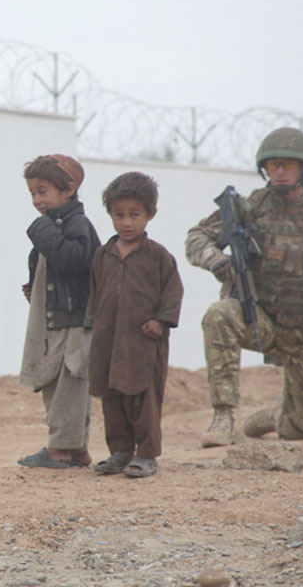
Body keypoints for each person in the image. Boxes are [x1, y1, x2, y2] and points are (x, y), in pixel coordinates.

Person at [186, 127, 303, 448]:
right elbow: (197, 236)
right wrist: (215, 259)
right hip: (264, 322)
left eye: (287, 165)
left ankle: (278, 414)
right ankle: (224, 416)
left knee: (302, 430)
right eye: (273, 166)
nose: (280, 172)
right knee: (220, 315)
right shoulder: (253, 206)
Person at [85, 172, 183, 478]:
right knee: (112, 398)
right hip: (108, 342)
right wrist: (90, 325)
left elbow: (173, 292)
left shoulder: (158, 257)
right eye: (119, 215)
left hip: (143, 343)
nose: (127, 222)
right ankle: (120, 452)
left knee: (144, 397)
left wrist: (161, 321)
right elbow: (94, 293)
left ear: (150, 215)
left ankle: (146, 453)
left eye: (135, 215)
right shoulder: (103, 255)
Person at [17, 154, 101, 469]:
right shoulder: (57, 224)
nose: (38, 200)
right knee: (58, 382)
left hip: (74, 322)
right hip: (58, 320)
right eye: (33, 194)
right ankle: (77, 449)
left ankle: (60, 450)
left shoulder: (75, 224)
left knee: (70, 383)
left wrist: (41, 230)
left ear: (68, 190)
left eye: (43, 191)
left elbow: (72, 260)